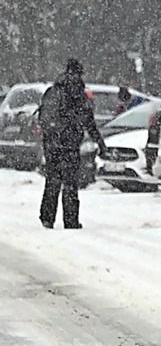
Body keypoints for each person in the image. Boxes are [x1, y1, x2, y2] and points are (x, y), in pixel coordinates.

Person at [39, 58, 107, 229]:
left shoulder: (53, 90)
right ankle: (70, 220)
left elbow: (43, 119)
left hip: (51, 143)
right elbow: (88, 121)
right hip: (69, 144)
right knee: (70, 183)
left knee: (52, 180)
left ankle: (47, 217)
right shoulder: (77, 92)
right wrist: (100, 142)